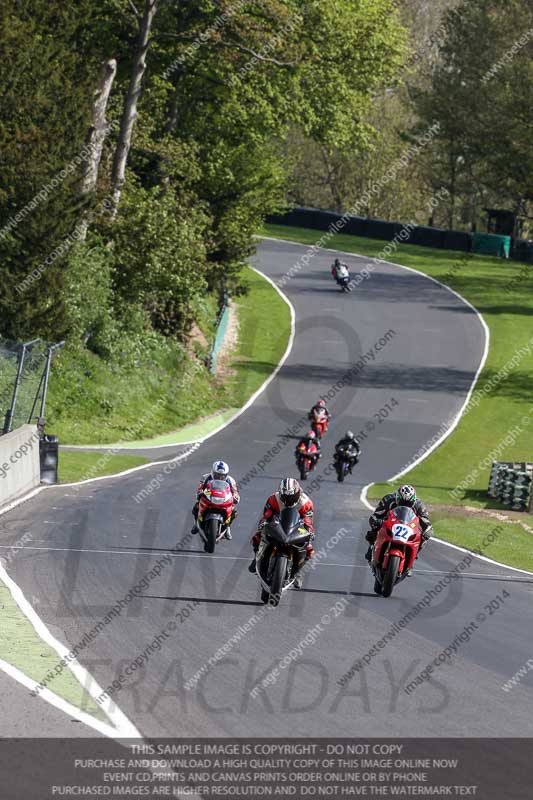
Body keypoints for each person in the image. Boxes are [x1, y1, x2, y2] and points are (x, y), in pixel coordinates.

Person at [248, 477, 315, 589]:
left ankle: (298, 571)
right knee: (257, 537)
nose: (289, 500)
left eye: (292, 497)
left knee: (309, 548)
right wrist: (263, 523)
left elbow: (308, 521)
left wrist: (309, 531)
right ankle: (256, 558)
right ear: (281, 494)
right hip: (278, 525)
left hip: (296, 528)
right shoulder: (274, 499)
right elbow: (267, 515)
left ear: (298, 493)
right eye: (286, 497)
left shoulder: (306, 502)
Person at [364, 484, 432, 571]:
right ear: (397, 498)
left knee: (423, 538)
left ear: (413, 501)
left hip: (408, 527)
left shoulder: (419, 506)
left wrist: (428, 530)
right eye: (402, 502)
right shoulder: (388, 500)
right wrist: (377, 521)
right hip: (390, 522)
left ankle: (411, 560)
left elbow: (426, 521)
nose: (405, 505)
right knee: (374, 530)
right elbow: (376, 515)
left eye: (408, 504)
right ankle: (372, 548)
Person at [191, 460, 240, 540]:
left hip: (224, 498)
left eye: (222, 476)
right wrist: (199, 492)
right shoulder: (205, 477)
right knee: (196, 507)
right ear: (213, 472)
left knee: (234, 511)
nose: (220, 477)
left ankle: (228, 528)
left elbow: (235, 490)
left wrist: (236, 496)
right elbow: (200, 487)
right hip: (210, 496)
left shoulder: (231, 480)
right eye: (217, 475)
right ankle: (196, 524)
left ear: (226, 475)